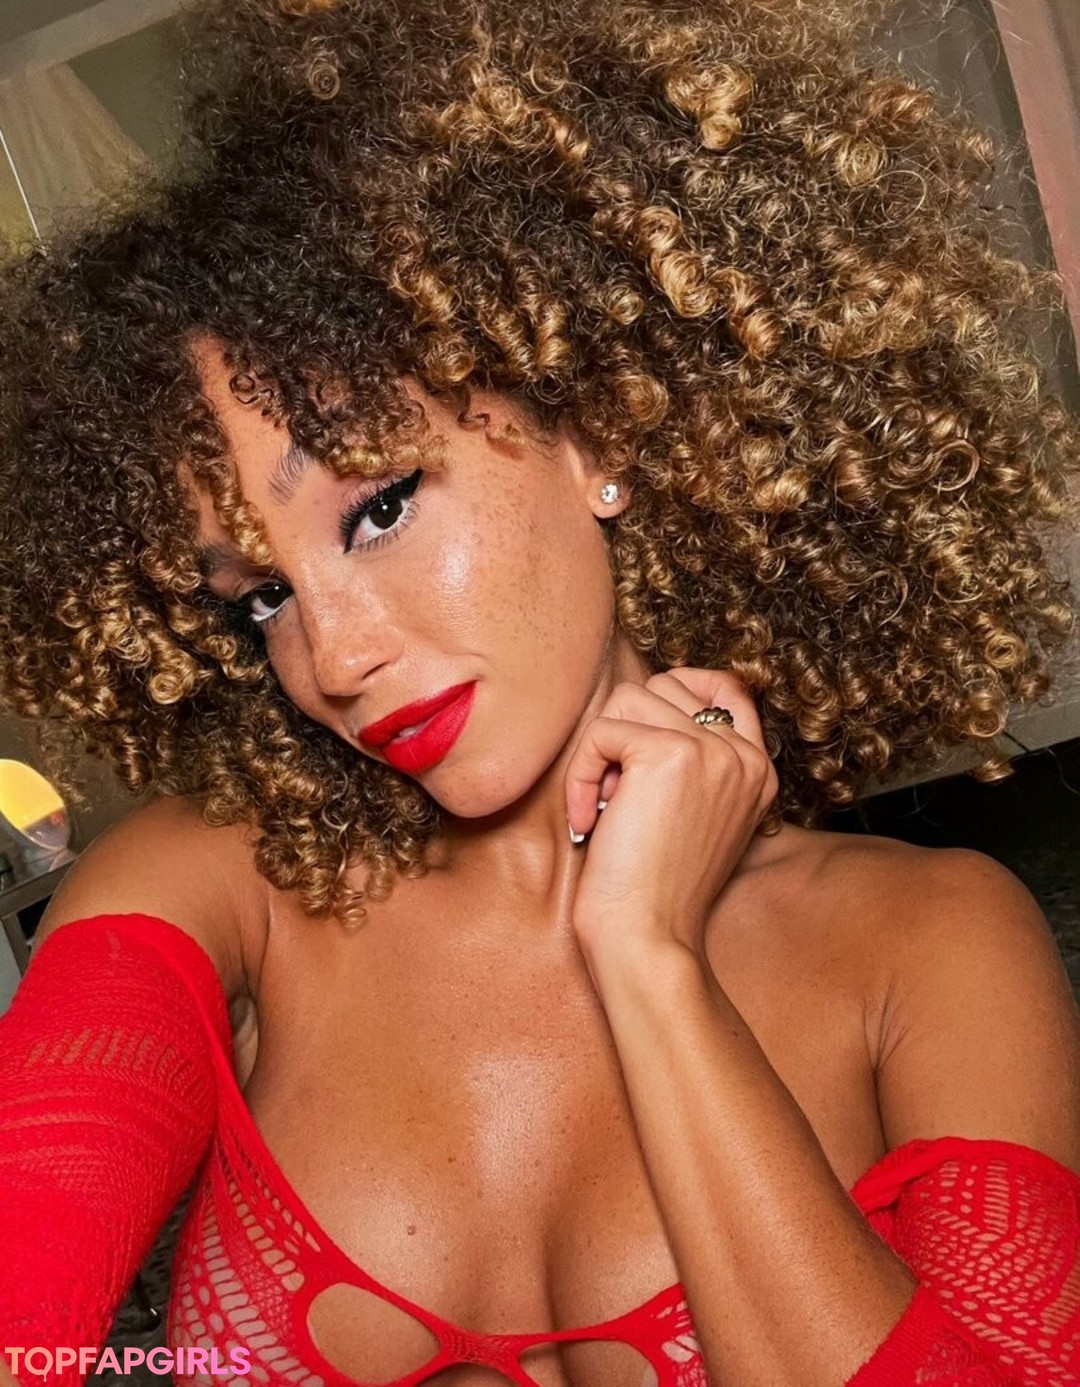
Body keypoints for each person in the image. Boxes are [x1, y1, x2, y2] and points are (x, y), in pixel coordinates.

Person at [1, 0, 1079, 1383]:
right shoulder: (215, 891)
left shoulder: (929, 946)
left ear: (601, 435)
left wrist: (651, 961)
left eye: (380, 506)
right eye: (260, 595)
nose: (333, 656)